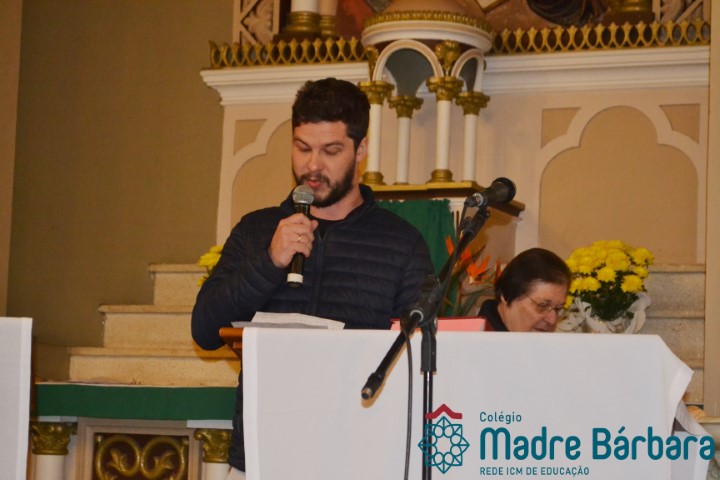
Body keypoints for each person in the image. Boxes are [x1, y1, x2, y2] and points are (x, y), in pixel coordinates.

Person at [191, 77, 434, 478]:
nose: (312, 166)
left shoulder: (401, 243)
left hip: (357, 459)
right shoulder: (256, 230)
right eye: (302, 148)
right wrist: (270, 261)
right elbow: (204, 329)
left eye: (330, 151)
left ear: (361, 150)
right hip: (260, 456)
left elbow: (420, 355)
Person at [478, 247, 571, 332]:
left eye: (558, 309)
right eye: (543, 306)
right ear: (507, 294)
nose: (552, 320)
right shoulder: (476, 341)